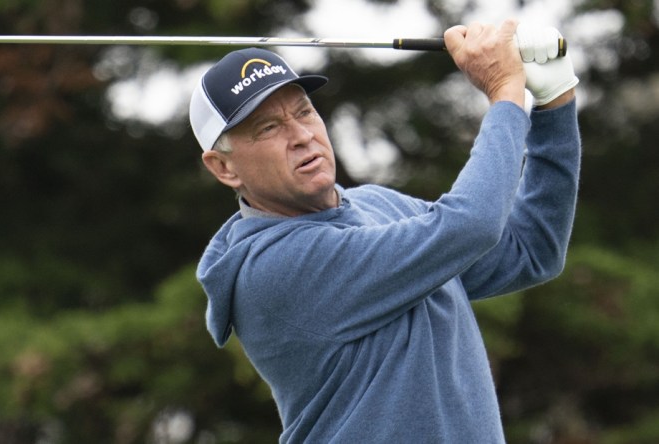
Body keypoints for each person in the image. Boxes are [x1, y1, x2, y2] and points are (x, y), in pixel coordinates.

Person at [189, 19, 580, 443]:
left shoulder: (381, 205)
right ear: (223, 167)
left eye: (304, 112)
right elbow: (470, 225)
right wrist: (505, 93)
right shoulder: (270, 268)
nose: (302, 136)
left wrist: (554, 103)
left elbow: (533, 250)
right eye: (268, 128)